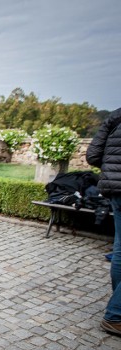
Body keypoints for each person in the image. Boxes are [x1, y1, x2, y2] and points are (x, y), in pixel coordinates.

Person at [86, 107, 121, 337]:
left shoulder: (116, 116)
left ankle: (117, 308)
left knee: (119, 250)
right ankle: (115, 314)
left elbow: (93, 155)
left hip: (114, 188)